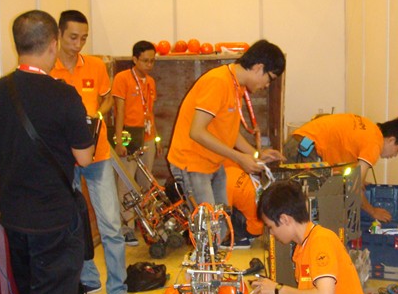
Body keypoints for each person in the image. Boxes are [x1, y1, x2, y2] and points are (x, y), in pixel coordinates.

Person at [0, 10, 95, 294]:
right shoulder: (64, 95)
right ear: (53, 44)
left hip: (15, 216)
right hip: (54, 219)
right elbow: (84, 157)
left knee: (32, 293)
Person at [50, 10, 138, 294]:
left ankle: (118, 290)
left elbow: (107, 97)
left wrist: (96, 113)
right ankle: (87, 279)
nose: (78, 44)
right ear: (59, 35)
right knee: (72, 223)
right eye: (73, 37)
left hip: (97, 155)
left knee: (111, 224)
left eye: (83, 38)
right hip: (64, 159)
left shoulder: (96, 66)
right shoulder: (48, 69)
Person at [251, 180, 378, 294]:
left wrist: (278, 288)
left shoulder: (321, 241)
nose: (271, 233)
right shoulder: (302, 248)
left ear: (285, 219)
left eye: (270, 227)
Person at [167, 39, 286, 210]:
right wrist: (238, 157)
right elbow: (197, 132)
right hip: (192, 163)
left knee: (223, 220)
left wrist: (256, 154)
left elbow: (229, 131)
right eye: (269, 79)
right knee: (208, 223)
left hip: (213, 163)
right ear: (258, 67)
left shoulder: (236, 85)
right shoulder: (218, 82)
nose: (267, 85)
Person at [284, 113, 398, 222]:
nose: (394, 155)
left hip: (299, 143)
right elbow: (354, 189)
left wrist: (357, 180)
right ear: (391, 140)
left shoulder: (369, 128)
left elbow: (348, 169)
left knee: (302, 205)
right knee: (309, 210)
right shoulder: (375, 143)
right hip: (305, 150)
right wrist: (373, 211)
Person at [111, 40, 162, 245]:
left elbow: (150, 112)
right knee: (126, 183)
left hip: (147, 137)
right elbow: (119, 111)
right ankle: (127, 227)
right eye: (145, 61)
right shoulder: (122, 78)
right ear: (134, 59)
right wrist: (120, 141)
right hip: (129, 136)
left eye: (152, 61)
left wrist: (157, 138)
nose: (149, 65)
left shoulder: (150, 82)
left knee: (146, 184)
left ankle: (146, 224)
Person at [223, 159, 265, 249]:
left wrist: (221, 238)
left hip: (253, 229)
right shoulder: (232, 169)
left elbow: (225, 215)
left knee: (223, 209)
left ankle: (240, 238)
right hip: (262, 224)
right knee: (238, 201)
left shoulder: (224, 184)